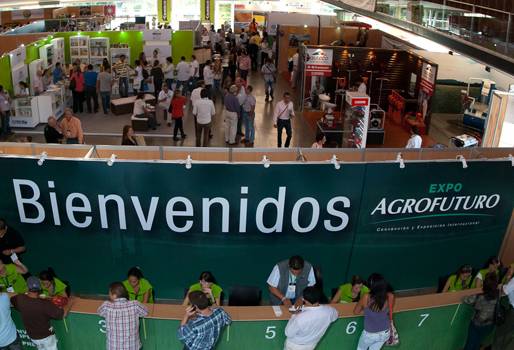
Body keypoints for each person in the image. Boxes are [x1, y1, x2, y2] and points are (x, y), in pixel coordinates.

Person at [11, 277, 70, 350]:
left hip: (33, 337)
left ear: (27, 287)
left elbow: (13, 300)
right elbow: (62, 315)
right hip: (46, 337)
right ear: (39, 288)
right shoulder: (44, 304)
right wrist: (71, 303)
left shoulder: (20, 298)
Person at [98, 282, 148, 350]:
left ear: (114, 295)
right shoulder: (135, 304)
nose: (108, 295)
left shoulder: (106, 305)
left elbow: (100, 312)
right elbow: (145, 312)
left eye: (109, 293)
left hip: (113, 347)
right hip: (133, 347)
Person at [353, 274, 395, 350]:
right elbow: (390, 312)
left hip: (370, 334)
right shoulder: (390, 295)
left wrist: (366, 311)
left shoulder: (366, 296)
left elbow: (356, 311)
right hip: (385, 332)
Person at [462, 273, 499, 350]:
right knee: (477, 342)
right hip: (489, 325)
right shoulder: (497, 295)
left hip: (477, 325)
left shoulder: (479, 297)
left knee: (469, 345)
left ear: (485, 284)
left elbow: (465, 299)